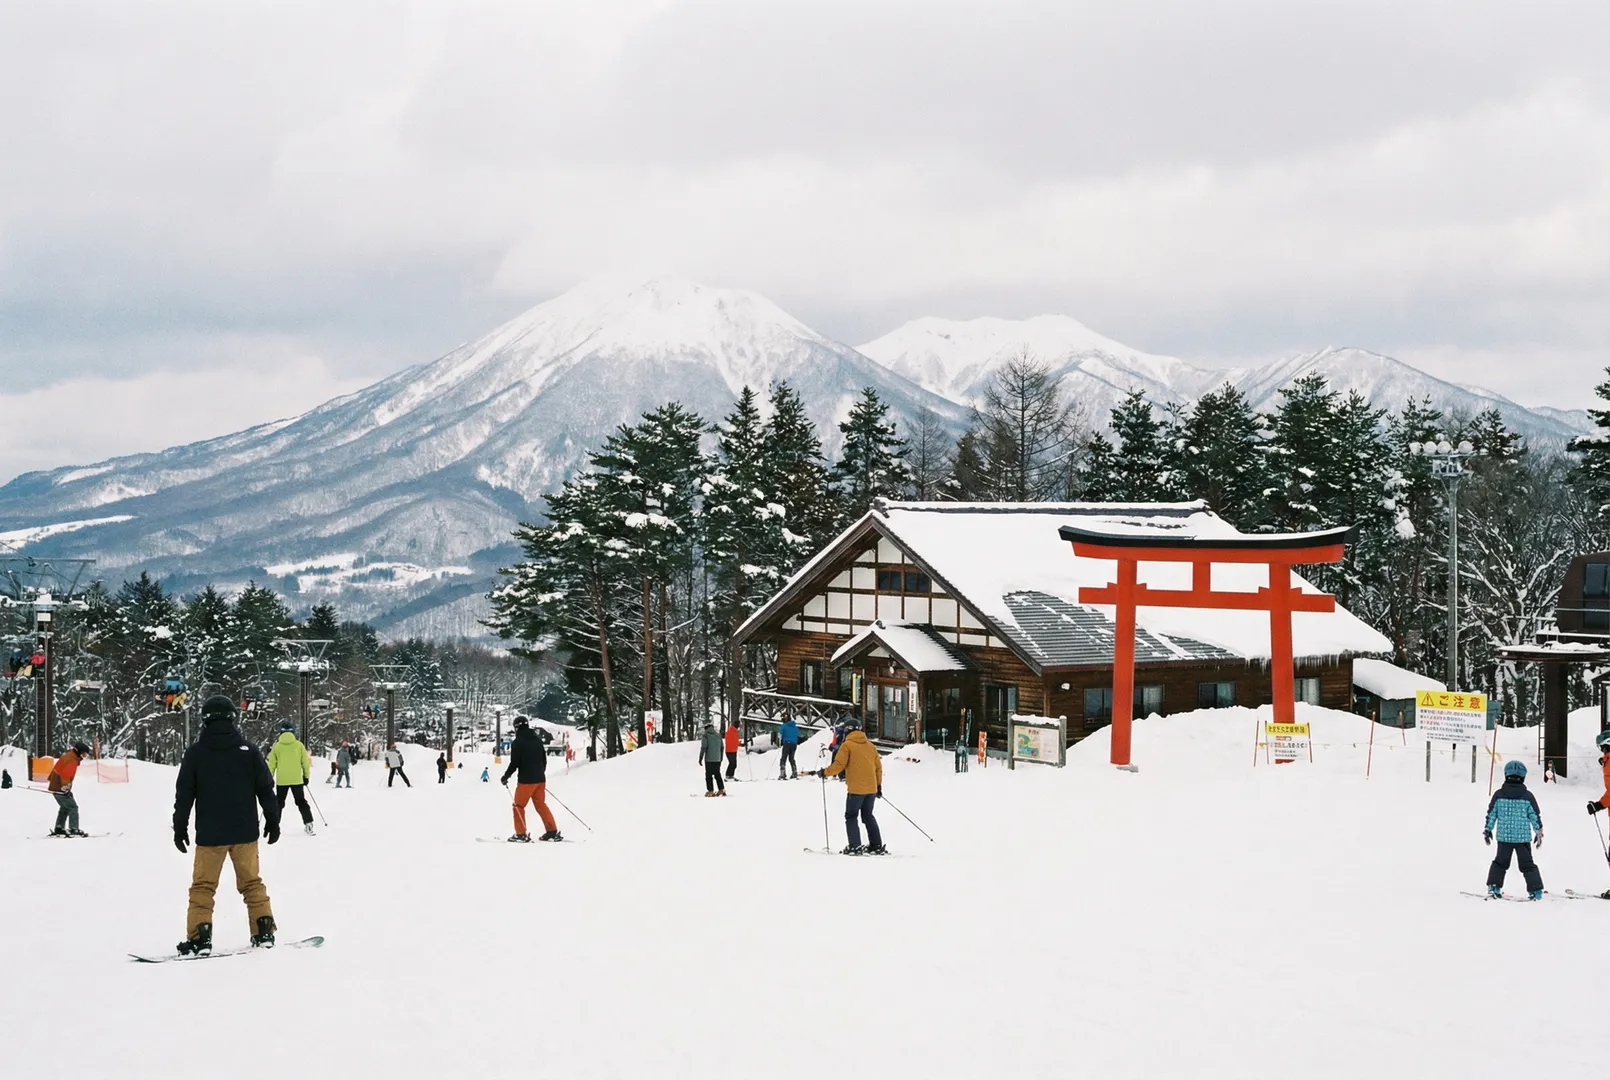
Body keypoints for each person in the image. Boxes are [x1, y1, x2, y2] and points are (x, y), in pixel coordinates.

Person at [172, 695, 281, 955]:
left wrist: (180, 827)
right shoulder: (249, 751)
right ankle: (263, 930)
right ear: (233, 717)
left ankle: (200, 938)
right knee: (252, 883)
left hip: (210, 835)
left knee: (203, 887)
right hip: (245, 832)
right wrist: (273, 820)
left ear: (205, 720)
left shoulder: (196, 753)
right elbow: (266, 788)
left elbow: (184, 794)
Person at [814, 717, 886, 855]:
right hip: (871, 789)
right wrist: (878, 786)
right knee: (868, 816)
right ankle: (876, 845)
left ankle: (855, 846)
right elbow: (878, 768)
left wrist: (825, 772)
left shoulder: (846, 746)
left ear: (847, 730)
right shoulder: (871, 746)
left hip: (856, 789)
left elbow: (839, 765)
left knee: (851, 816)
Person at [1485, 759, 1544, 900]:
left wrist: (1488, 830)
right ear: (1523, 777)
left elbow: (1492, 814)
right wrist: (1539, 831)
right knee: (1527, 865)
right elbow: (1534, 815)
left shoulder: (1498, 795)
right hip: (1522, 838)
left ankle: (1494, 886)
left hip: (1504, 837)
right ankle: (1536, 891)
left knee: (1500, 862)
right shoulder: (1527, 796)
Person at [501, 716, 561, 842]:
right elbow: (544, 760)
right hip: (540, 780)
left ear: (516, 727)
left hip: (526, 781)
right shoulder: (538, 741)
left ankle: (521, 834)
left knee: (518, 806)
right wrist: (539, 773)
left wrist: (505, 776)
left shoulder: (518, 742)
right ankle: (552, 831)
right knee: (541, 805)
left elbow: (514, 763)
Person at [266, 721, 316, 836]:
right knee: (301, 802)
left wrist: (269, 778)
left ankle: (275, 825)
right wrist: (306, 776)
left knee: (279, 803)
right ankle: (308, 824)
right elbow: (305, 763)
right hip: (296, 780)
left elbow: (271, 765)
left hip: (282, 781)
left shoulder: (277, 746)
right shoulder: (299, 745)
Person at [47, 741, 92, 837]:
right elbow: (66, 775)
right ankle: (73, 829)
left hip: (55, 785)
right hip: (60, 786)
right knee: (73, 807)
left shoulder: (69, 756)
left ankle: (59, 827)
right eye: (83, 754)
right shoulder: (72, 760)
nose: (84, 757)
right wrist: (65, 788)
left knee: (65, 807)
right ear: (78, 751)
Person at [698, 721, 726, 797]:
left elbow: (704, 747)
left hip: (709, 759)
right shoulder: (718, 735)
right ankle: (721, 790)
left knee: (708, 775)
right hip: (718, 759)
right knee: (717, 774)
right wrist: (721, 758)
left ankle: (710, 791)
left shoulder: (706, 736)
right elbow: (722, 748)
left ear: (706, 728)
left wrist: (700, 758)